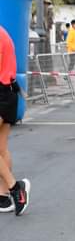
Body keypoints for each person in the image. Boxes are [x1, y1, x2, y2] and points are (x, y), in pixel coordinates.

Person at [0, 25, 31, 216]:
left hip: (2, 93)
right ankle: (3, 197)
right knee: (1, 149)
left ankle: (15, 188)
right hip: (9, 92)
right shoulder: (4, 33)